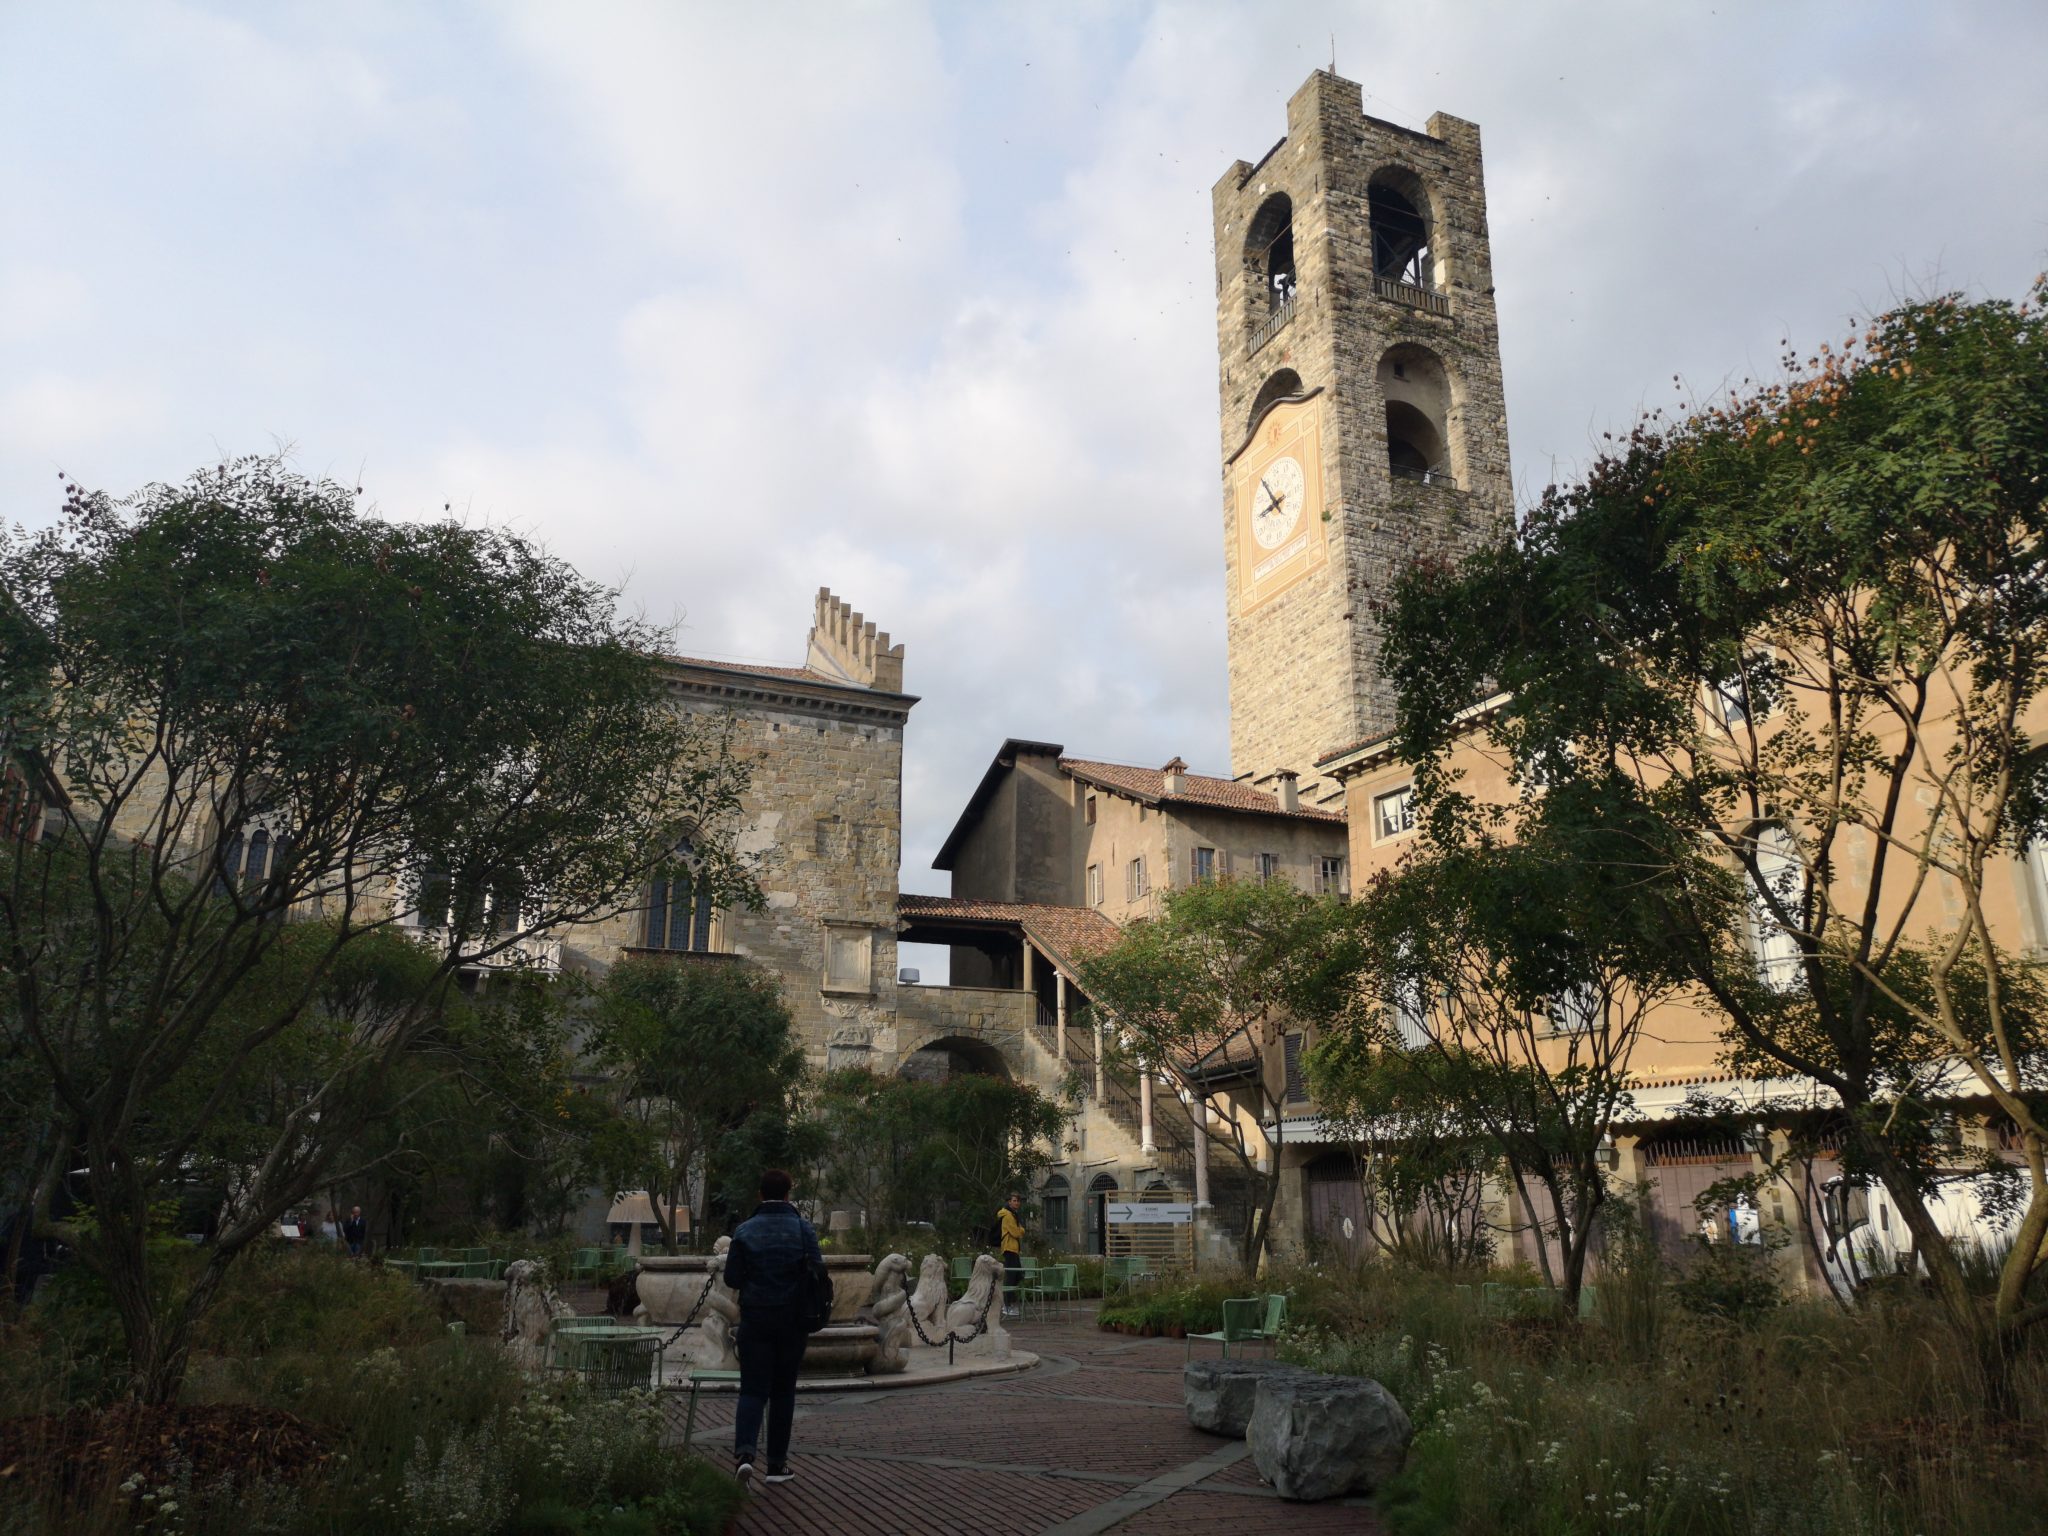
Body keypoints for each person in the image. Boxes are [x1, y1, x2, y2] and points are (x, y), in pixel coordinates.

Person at [722, 1168, 822, 1491]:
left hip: (756, 1319)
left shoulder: (745, 1231)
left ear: (760, 1194)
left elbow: (732, 1278)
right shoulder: (803, 1229)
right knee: (783, 1392)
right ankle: (777, 1464)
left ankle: (745, 1455)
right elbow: (818, 1271)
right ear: (789, 1194)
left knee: (752, 1390)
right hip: (793, 1322)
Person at [997, 1191, 1025, 1319]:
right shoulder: (1008, 1215)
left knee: (1017, 1275)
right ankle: (1007, 1305)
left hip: (1014, 1249)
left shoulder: (1014, 1214)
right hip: (1009, 1248)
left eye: (1018, 1201)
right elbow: (1016, 1232)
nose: (1017, 1203)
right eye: (1014, 1200)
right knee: (1011, 1277)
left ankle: (1009, 1304)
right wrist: (1021, 1230)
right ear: (1009, 1202)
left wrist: (1019, 1229)